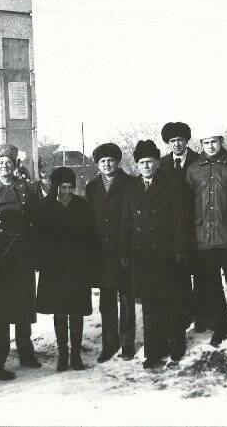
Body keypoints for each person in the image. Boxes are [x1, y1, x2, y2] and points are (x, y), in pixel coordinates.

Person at [121, 140, 192, 369]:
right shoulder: (131, 189)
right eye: (141, 162)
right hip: (141, 256)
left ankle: (176, 346)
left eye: (150, 162)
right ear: (137, 165)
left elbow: (181, 222)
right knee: (150, 306)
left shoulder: (172, 185)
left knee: (171, 302)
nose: (146, 166)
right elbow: (126, 223)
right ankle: (153, 351)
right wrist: (124, 251)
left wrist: (181, 250)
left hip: (166, 255)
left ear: (157, 162)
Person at [0, 143, 42, 379]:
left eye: (9, 162)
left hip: (21, 259)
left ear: (14, 166)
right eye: (0, 162)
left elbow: (38, 221)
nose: (5, 166)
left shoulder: (27, 189)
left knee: (23, 308)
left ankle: (26, 353)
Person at [185, 128, 227, 348]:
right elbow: (188, 201)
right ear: (201, 145)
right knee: (212, 286)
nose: (210, 147)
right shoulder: (193, 170)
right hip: (204, 239)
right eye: (206, 143)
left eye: (214, 142)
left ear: (221, 142)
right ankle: (221, 327)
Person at [36, 167, 99, 372]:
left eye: (71, 187)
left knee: (77, 311)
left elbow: (91, 238)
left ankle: (75, 355)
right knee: (60, 311)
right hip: (54, 269)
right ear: (56, 187)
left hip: (77, 268)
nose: (67, 191)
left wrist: (89, 263)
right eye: (63, 187)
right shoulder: (45, 208)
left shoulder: (82, 206)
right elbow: (39, 238)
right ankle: (62, 354)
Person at [85, 142, 136, 362]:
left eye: (110, 161)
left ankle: (127, 343)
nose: (106, 165)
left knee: (126, 298)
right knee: (106, 300)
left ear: (117, 162)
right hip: (101, 252)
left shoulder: (130, 183)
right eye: (102, 162)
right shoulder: (92, 186)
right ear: (98, 164)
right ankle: (109, 343)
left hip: (123, 249)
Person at [160, 121, 213, 333]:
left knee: (201, 272)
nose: (176, 144)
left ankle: (202, 316)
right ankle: (183, 315)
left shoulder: (199, 161)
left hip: (198, 226)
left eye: (180, 140)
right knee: (178, 273)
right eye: (172, 141)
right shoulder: (162, 164)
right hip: (173, 229)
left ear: (187, 141)